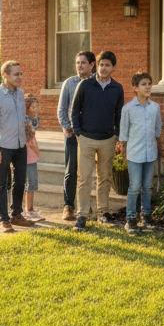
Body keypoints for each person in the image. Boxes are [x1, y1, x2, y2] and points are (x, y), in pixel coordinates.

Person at [69, 50, 125, 230]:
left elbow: (119, 115)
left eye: (107, 65)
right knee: (84, 178)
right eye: (101, 65)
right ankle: (82, 215)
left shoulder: (117, 88)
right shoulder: (85, 85)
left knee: (105, 178)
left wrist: (117, 136)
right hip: (86, 138)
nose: (103, 68)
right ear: (96, 66)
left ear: (113, 68)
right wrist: (78, 132)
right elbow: (74, 111)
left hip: (108, 139)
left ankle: (103, 212)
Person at [0, 60, 33, 232]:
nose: (20, 77)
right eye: (16, 74)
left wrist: (28, 126)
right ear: (5, 75)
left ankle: (17, 214)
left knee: (20, 181)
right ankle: (4, 220)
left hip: (20, 145)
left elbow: (20, 117)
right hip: (3, 146)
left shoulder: (20, 94)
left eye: (21, 74)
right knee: (2, 183)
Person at [118, 71, 162, 232]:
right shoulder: (128, 109)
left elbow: (158, 129)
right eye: (144, 84)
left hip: (150, 153)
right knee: (135, 187)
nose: (148, 87)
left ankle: (146, 215)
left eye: (149, 84)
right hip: (134, 154)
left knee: (147, 187)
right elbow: (123, 134)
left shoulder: (155, 108)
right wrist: (124, 153)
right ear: (135, 88)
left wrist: (157, 146)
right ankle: (130, 218)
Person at [56, 51, 95, 222]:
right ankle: (68, 206)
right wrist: (66, 127)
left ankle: (85, 205)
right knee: (71, 170)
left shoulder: (96, 84)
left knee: (86, 172)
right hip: (72, 133)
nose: (79, 65)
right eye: (77, 62)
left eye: (83, 63)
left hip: (90, 134)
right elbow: (62, 108)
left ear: (91, 65)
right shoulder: (69, 83)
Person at [22, 94, 43, 222]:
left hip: (30, 157)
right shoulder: (26, 122)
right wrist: (36, 152)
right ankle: (28, 210)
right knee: (30, 184)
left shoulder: (29, 120)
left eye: (36, 107)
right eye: (33, 107)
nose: (36, 109)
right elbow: (30, 140)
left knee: (31, 184)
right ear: (27, 107)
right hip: (28, 157)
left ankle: (30, 209)